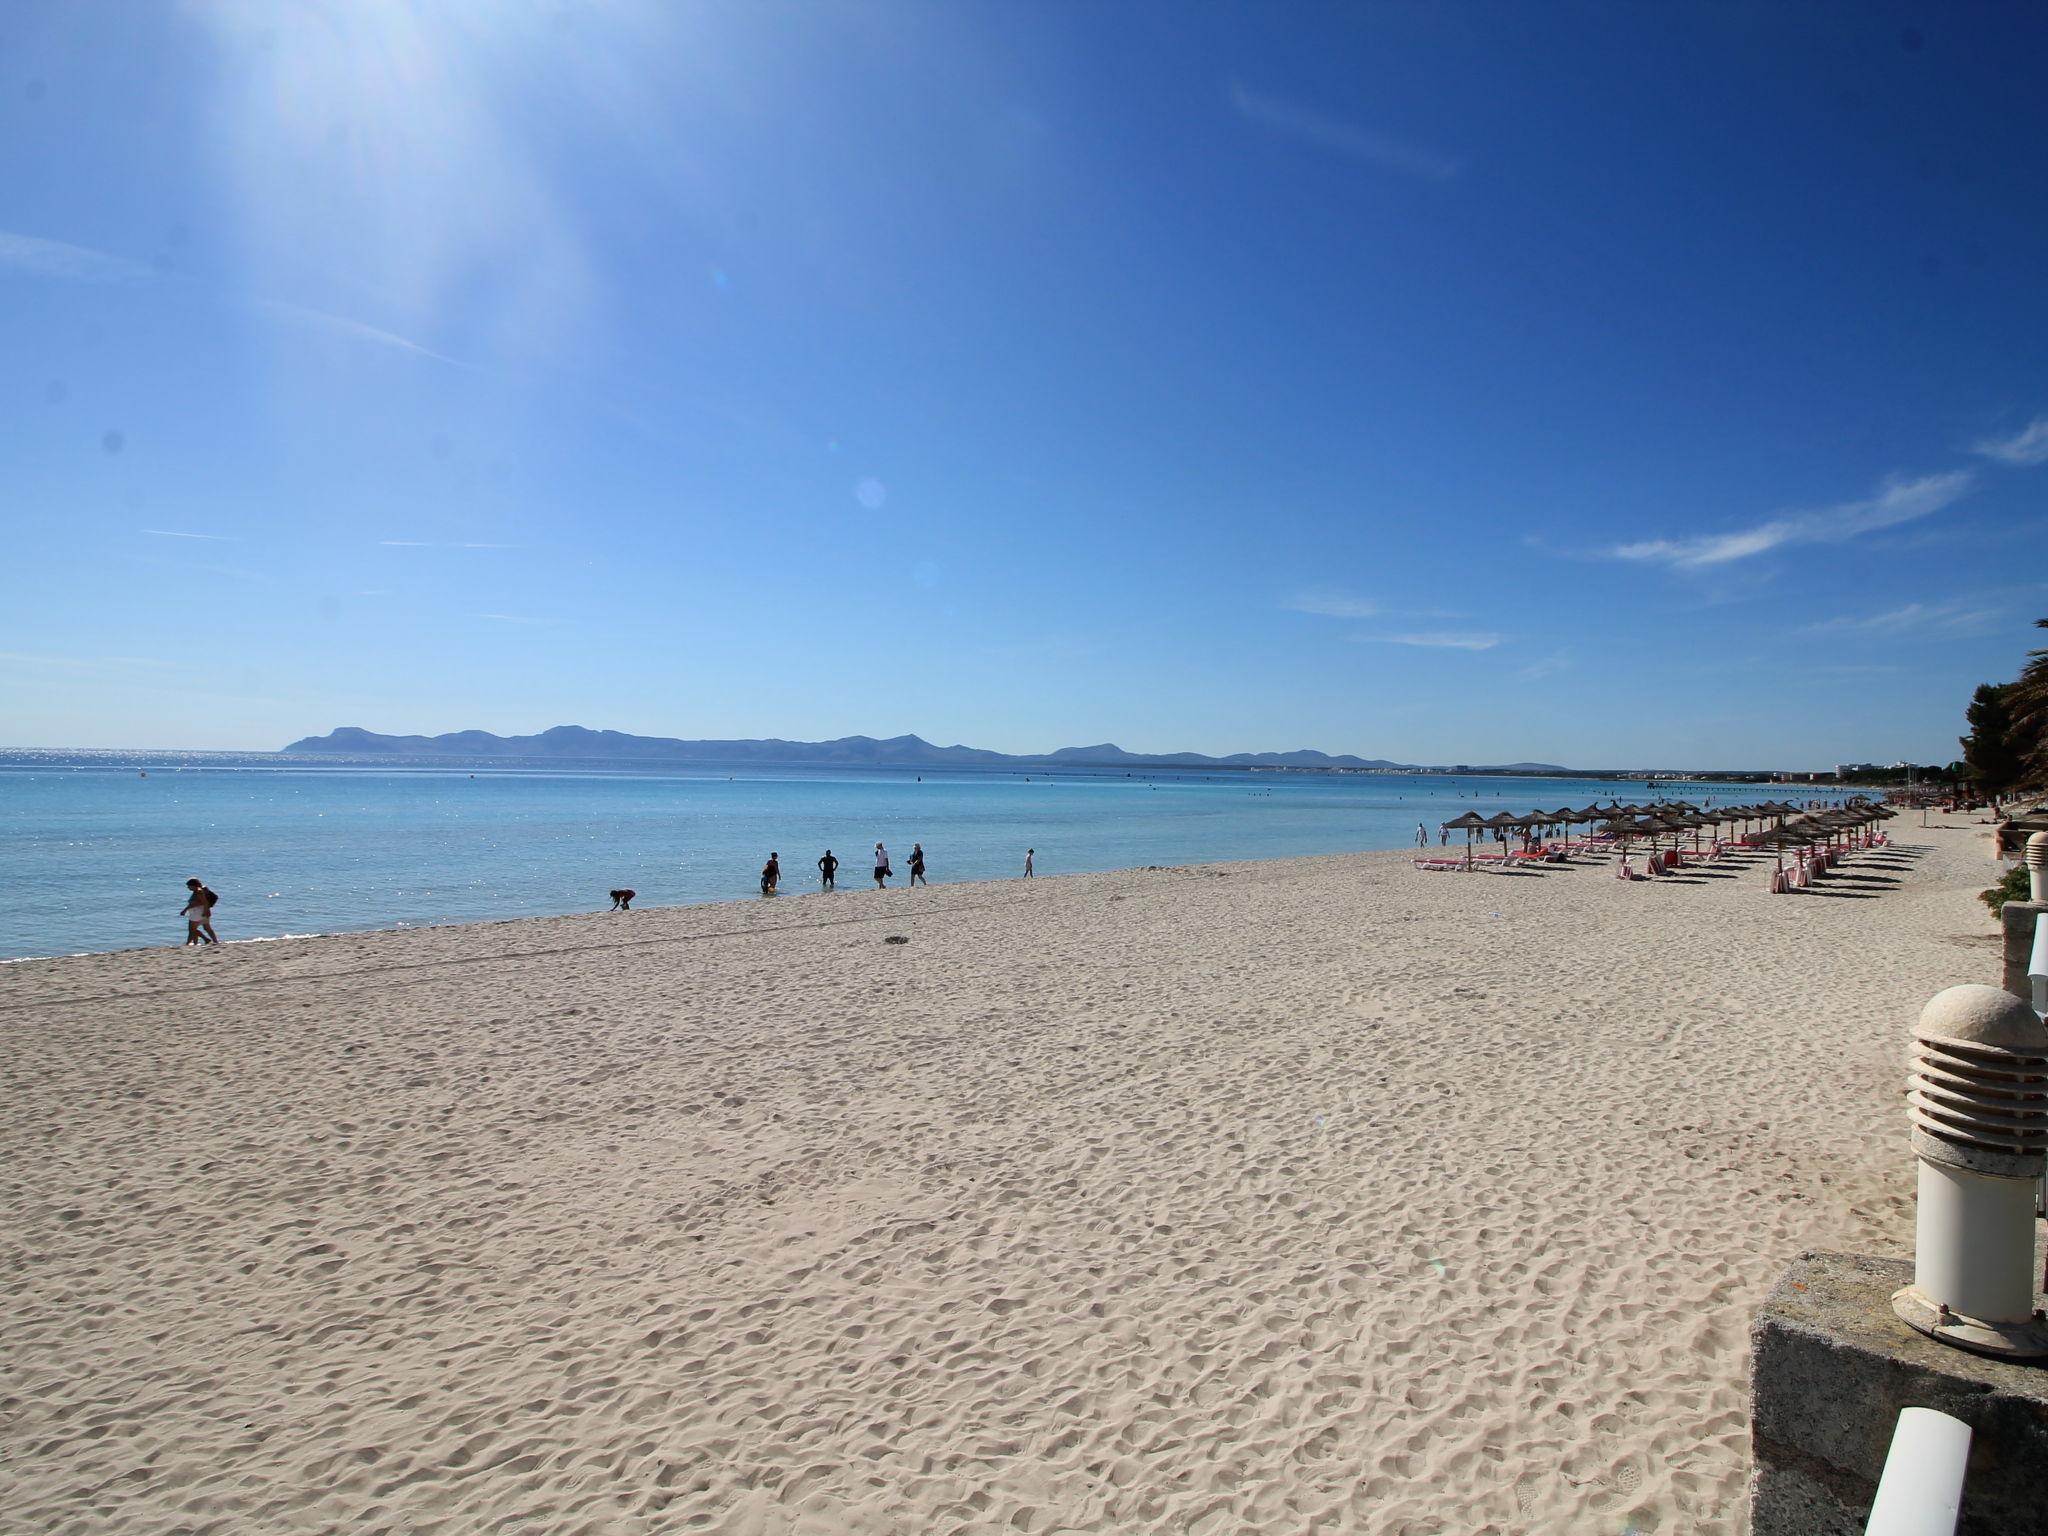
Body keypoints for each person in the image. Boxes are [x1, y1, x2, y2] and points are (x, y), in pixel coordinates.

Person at [181, 878, 217, 946]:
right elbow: (203, 902)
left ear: (193, 885)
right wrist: (207, 911)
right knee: (207, 928)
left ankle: (205, 939)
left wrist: (185, 910)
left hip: (197, 912)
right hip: (201, 911)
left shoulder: (199, 891)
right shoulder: (200, 891)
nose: (188, 887)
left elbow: (203, 902)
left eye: (189, 886)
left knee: (192, 930)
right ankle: (214, 941)